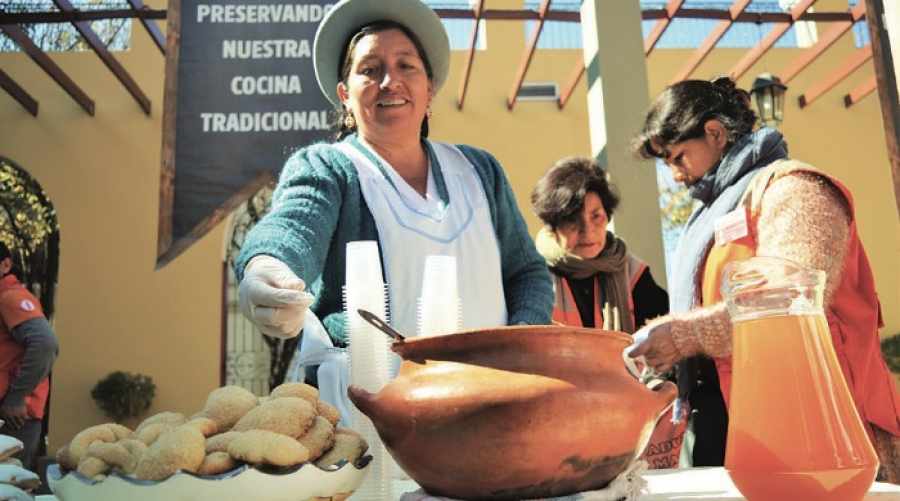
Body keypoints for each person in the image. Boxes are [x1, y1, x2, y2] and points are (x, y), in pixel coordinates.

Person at [235, 0, 553, 419]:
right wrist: (264, 265)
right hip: (365, 425)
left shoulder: (479, 171)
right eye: (369, 69)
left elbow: (526, 273)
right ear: (345, 95)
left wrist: (520, 345)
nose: (390, 81)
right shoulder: (330, 169)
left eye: (407, 66)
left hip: (487, 415)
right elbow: (294, 224)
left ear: (429, 88)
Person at [626, 77, 900, 479]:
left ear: (715, 133)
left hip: (824, 436)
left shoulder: (793, 190)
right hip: (749, 429)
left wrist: (683, 336)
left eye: (678, 157)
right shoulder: (711, 215)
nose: (675, 176)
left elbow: (790, 304)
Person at [530, 157, 668, 333]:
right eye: (573, 219)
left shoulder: (633, 274)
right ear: (553, 224)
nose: (587, 232)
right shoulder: (532, 275)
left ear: (607, 216)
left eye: (596, 216)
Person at [0, 242, 58, 471]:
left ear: (5, 265)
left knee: (10, 487)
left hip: (12, 417)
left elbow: (45, 344)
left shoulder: (10, 297)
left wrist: (16, 397)